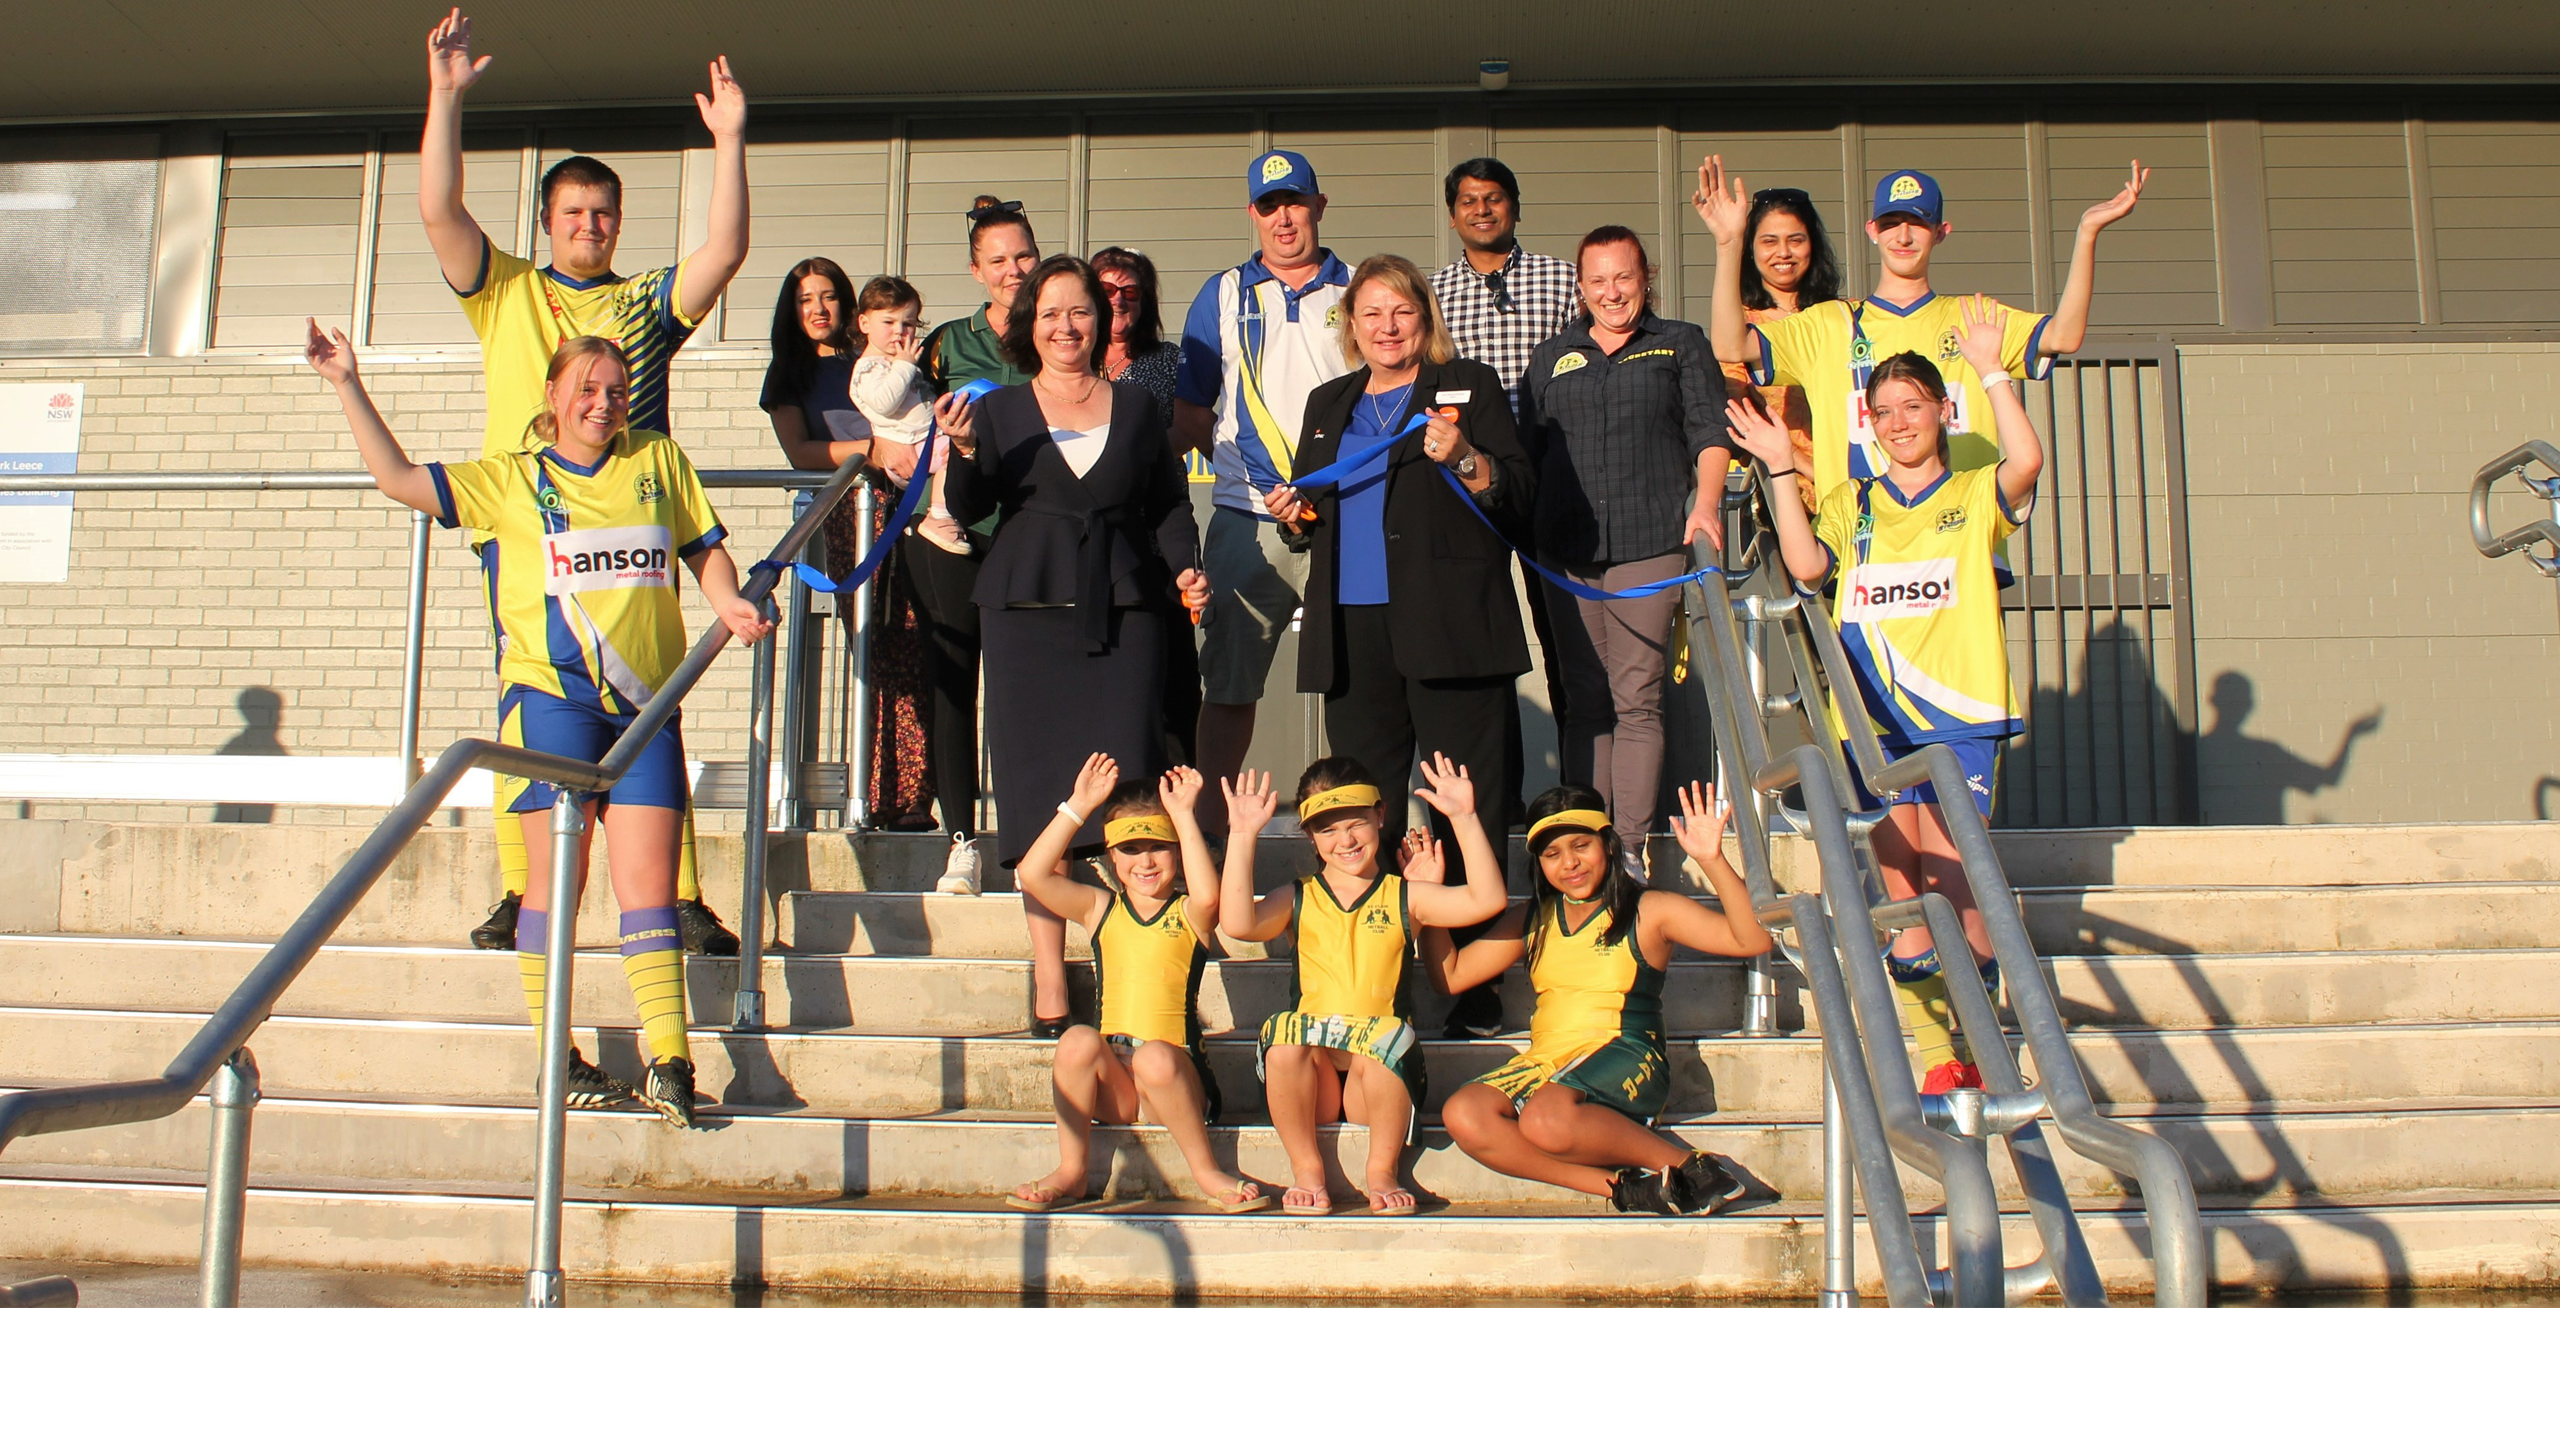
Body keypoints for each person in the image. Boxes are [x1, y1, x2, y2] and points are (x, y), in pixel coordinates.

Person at [308, 325, 771, 1129]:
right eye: (587, 389)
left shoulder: (657, 462)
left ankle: (671, 1062)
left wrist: (726, 600)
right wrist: (348, 382)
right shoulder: (510, 480)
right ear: (553, 397)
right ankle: (554, 1057)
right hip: (551, 705)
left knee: (650, 892)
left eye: (617, 390)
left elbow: (706, 552)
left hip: (648, 708)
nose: (603, 404)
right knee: (557, 886)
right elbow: (397, 478)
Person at [421, 9, 750, 957]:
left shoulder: (642, 304)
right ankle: (522, 890)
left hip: (636, 529)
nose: (590, 226)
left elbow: (722, 254)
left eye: (603, 214)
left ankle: (679, 893)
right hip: (528, 527)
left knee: (654, 700)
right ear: (548, 224)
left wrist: (727, 142)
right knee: (530, 697)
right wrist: (443, 98)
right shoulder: (506, 289)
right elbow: (440, 211)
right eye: (573, 214)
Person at [1725, 298, 2045, 1094]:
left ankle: (1985, 1025)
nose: (1900, 423)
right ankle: (1948, 1056)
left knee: (1949, 877)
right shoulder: (1853, 502)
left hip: (1957, 717)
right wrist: (1777, 466)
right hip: (1871, 720)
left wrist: (1995, 370)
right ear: (1866, 423)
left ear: (1941, 411)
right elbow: (1804, 568)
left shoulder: (1972, 493)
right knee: (1903, 901)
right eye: (1885, 411)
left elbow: (2028, 463)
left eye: (1914, 407)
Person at [936, 255, 1209, 1039]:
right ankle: (1051, 980)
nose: (1065, 326)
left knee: (1131, 796)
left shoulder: (1135, 408)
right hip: (1027, 621)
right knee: (1038, 801)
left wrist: (1187, 567)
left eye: (1080, 312)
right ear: (1031, 325)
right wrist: (959, 452)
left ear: (1102, 321)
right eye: (1050, 312)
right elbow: (972, 505)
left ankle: (1143, 971)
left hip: (1126, 615)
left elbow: (1165, 507)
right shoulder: (997, 411)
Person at [1265, 254, 1531, 887]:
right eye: (1372, 313)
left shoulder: (1471, 383)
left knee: (1465, 805)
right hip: (1353, 634)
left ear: (1425, 318)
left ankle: (1471, 970)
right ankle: (1375, 953)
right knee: (1360, 805)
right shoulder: (1328, 403)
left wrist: (1467, 457)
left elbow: (1519, 493)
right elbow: (1311, 512)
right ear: (1351, 325)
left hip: (1451, 628)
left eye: (1402, 312)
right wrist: (1294, 516)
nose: (1388, 327)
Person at [1698, 154, 2147, 511]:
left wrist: (2087, 234)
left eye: (1918, 223)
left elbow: (2064, 337)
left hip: (1961, 540)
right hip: (1861, 548)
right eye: (1892, 223)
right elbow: (1730, 344)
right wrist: (1728, 243)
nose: (1904, 236)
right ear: (1873, 231)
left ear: (1941, 232)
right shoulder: (1830, 322)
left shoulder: (1972, 315)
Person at [1431, 781, 1768, 1214]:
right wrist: (1432, 905)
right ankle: (1625, 1189)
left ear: (1607, 844)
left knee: (1544, 1120)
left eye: (1581, 845)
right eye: (1552, 854)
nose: (1569, 863)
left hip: (1626, 1052)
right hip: (1547, 1062)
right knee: (1463, 1114)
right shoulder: (1532, 916)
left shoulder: (1651, 908)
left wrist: (1711, 859)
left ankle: (1694, 1167)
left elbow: (1751, 939)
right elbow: (1452, 976)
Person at [1515, 227, 1732, 879]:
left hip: (1649, 543)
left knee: (1636, 696)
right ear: (1580, 288)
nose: (1612, 293)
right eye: (1599, 281)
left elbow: (1709, 429)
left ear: (1647, 277)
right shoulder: (1551, 357)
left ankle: (1628, 848)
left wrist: (1707, 504)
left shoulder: (1679, 343)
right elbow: (1527, 455)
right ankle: (1586, 841)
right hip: (1565, 553)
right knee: (1584, 700)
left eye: (1625, 278)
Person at [1427, 157, 1581, 1038]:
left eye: (1495, 200)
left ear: (1515, 208)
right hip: (1464, 493)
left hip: (1547, 481)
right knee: (1484, 654)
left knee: (1566, 652)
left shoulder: (1560, 279)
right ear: (1454, 216)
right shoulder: (1439, 290)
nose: (1483, 211)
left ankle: (1574, 808)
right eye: (1469, 203)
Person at [1218, 754, 1508, 1215]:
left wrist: (1465, 818)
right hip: (1313, 1080)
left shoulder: (1405, 894)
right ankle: (1308, 1168)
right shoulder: (1299, 895)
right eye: (1328, 830)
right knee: (1284, 1035)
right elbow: (1236, 923)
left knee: (1386, 1036)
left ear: (1380, 816)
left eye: (1356, 824)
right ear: (1310, 836)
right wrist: (1242, 835)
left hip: (1373, 1083)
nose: (1345, 840)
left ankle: (1381, 1170)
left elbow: (1487, 899)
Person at [1173, 151, 1353, 839]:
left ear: (1319, 206)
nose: (1284, 217)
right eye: (1269, 204)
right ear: (1253, 213)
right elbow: (1192, 413)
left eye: (1295, 202)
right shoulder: (1220, 294)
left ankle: (1355, 838)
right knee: (1227, 689)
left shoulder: (1358, 289)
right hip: (1247, 522)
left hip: (1343, 521)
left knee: (1358, 689)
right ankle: (1209, 842)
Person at [1005, 754, 1270, 1215]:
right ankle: (1071, 1169)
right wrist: (1079, 804)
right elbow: (1032, 875)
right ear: (1111, 855)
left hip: (1176, 1081)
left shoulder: (1190, 914)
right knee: (1075, 1041)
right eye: (1130, 850)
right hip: (1119, 1089)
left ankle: (1205, 1170)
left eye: (1158, 847)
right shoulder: (1099, 909)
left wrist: (1185, 814)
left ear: (1177, 850)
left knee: (1153, 1056)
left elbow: (1209, 896)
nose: (1145, 861)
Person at [758, 262, 935, 828]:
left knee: (915, 641)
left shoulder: (881, 359)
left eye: (829, 296)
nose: (818, 309)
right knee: (872, 642)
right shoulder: (788, 375)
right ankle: (873, 790)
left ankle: (915, 796)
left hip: (914, 505)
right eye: (805, 298)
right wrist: (871, 449)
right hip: (851, 515)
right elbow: (802, 453)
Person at [909, 196, 1042, 901]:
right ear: (975, 269)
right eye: (998, 260)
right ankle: (960, 840)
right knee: (954, 682)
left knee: (1028, 692)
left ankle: (1034, 839)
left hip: (1031, 535)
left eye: (1023, 255)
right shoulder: (946, 343)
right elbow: (902, 419)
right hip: (953, 539)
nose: (1013, 270)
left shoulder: (1056, 329)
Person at [1094, 244, 1203, 770]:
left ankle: (1181, 803)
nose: (1117, 300)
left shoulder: (1167, 361)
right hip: (1094, 544)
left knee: (1174, 676)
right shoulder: (1070, 361)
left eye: (1129, 291)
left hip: (1159, 534)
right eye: (1106, 290)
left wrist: (1138, 458)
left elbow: (1191, 426)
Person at [1719, 187, 1844, 515]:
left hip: (1854, 474)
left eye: (1796, 239)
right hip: (1786, 482)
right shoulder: (1739, 328)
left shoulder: (1844, 316)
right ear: (1751, 248)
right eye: (1769, 241)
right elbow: (1741, 414)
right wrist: (1806, 466)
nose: (1784, 252)